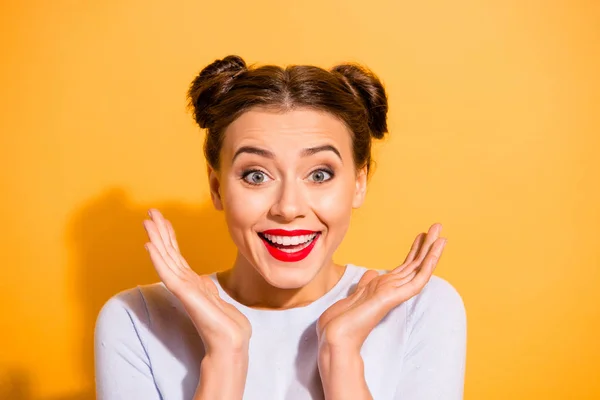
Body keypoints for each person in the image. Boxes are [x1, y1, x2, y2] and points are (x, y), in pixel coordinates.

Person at [94, 55, 467, 400]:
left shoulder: (418, 307)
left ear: (359, 183)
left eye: (320, 174)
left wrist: (341, 354)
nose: (288, 208)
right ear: (217, 187)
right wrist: (226, 355)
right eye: (256, 175)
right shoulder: (136, 318)